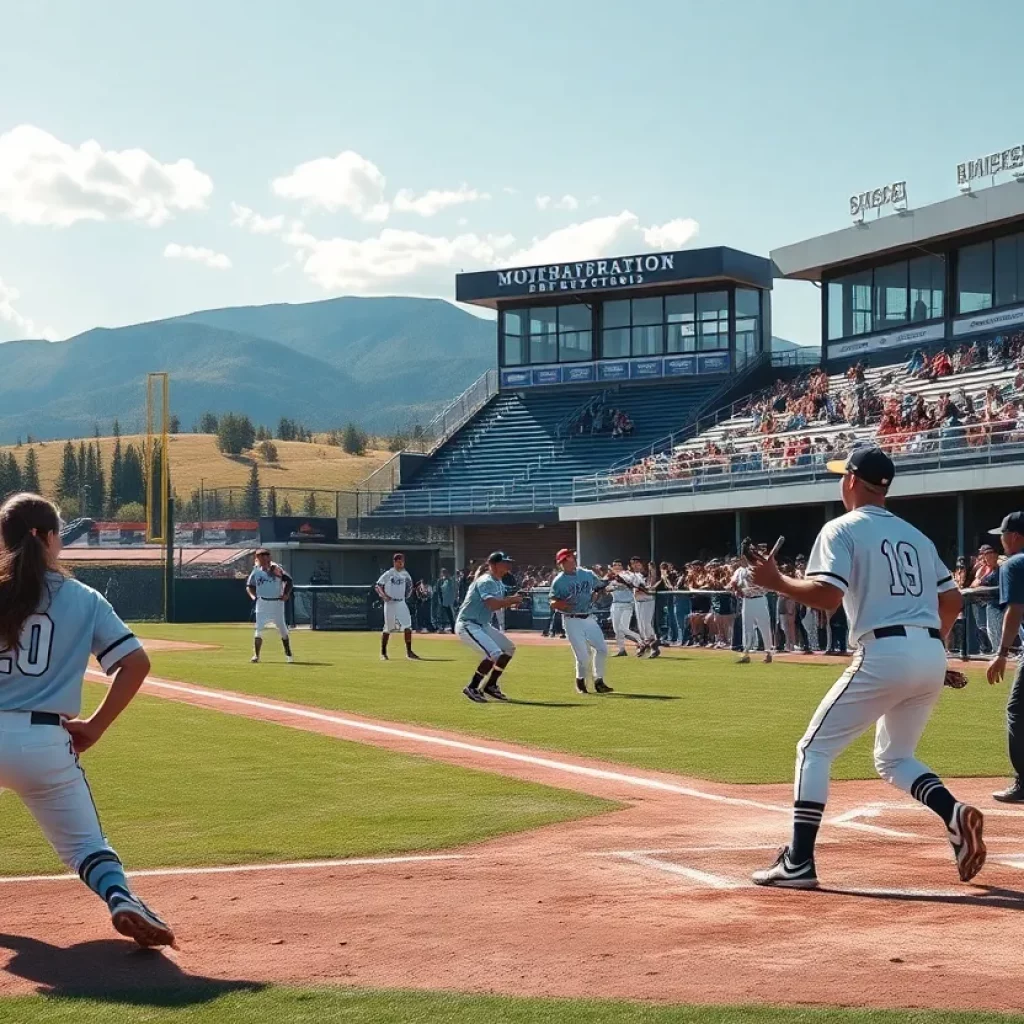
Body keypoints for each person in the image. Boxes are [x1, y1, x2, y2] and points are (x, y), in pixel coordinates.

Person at [748, 445, 984, 889]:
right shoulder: (916, 535)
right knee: (895, 757)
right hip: (929, 650)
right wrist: (933, 649)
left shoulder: (841, 528)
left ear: (853, 480)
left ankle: (798, 862)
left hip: (884, 650)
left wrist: (777, 581)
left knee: (812, 750)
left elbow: (826, 597)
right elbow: (951, 601)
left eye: (843, 476)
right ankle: (953, 813)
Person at [0, 493, 174, 946]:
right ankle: (120, 898)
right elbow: (136, 663)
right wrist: (95, 726)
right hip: (43, 741)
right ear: (53, 539)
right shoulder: (83, 598)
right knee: (85, 848)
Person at [985, 512, 1024, 802]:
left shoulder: (1014, 564)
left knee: (1017, 711)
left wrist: (1001, 653)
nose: (1000, 540)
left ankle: (1023, 782)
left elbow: (1015, 609)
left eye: (1003, 535)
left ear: (1015, 537)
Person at [457, 553, 526, 703]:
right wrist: (511, 600)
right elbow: (493, 604)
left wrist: (515, 598)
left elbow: (501, 598)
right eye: (504, 562)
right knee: (494, 653)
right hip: (468, 623)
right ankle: (472, 687)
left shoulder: (498, 581)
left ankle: (491, 685)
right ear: (493, 565)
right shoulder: (486, 581)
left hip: (482, 624)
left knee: (508, 648)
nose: (508, 565)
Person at [549, 549, 614, 694]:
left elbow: (599, 587)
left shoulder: (586, 574)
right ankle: (580, 680)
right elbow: (552, 601)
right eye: (567, 559)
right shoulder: (559, 581)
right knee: (583, 656)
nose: (571, 559)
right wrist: (560, 604)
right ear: (562, 563)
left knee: (602, 649)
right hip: (571, 619)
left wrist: (606, 583)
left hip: (588, 617)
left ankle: (599, 681)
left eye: (571, 557)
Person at [246, 548, 294, 664]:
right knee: (259, 630)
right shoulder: (256, 570)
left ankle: (288, 654)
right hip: (262, 603)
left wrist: (286, 594)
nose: (264, 559)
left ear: (269, 557)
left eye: (266, 556)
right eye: (260, 557)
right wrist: (253, 596)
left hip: (277, 603)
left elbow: (289, 580)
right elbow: (249, 585)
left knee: (283, 630)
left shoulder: (275, 568)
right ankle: (256, 655)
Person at [375, 553, 420, 661]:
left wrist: (410, 593)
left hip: (401, 602)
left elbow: (410, 586)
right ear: (394, 562)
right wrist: (384, 596)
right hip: (390, 603)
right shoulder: (389, 573)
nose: (401, 564)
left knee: (408, 625)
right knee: (388, 627)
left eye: (402, 562)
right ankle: (383, 653)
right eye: (399, 562)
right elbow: (378, 585)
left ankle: (409, 652)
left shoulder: (405, 574)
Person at [730, 553, 774, 664]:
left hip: (760, 599)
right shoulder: (739, 571)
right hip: (747, 600)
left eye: (744, 558)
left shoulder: (757, 569)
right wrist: (736, 589)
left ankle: (768, 653)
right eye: (741, 559)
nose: (742, 560)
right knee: (747, 627)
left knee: (764, 625)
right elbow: (733, 582)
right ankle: (746, 653)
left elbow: (764, 583)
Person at [606, 559, 644, 657]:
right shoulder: (611, 577)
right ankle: (621, 650)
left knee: (623, 628)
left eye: (619, 565)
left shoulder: (627, 574)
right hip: (615, 604)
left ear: (622, 567)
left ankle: (641, 641)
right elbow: (607, 588)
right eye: (615, 565)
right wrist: (612, 586)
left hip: (627, 604)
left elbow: (628, 583)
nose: (617, 567)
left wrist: (617, 585)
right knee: (617, 630)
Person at [627, 556, 659, 658]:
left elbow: (652, 583)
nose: (635, 565)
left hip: (647, 600)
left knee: (646, 623)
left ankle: (654, 645)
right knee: (641, 626)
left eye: (637, 563)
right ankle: (645, 645)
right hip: (638, 601)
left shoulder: (647, 573)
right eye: (633, 563)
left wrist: (653, 570)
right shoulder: (633, 575)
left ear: (641, 564)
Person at [437, 569, 458, 633]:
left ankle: (453, 629)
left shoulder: (450, 580)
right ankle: (442, 628)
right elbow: (441, 590)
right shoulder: (444, 581)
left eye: (444, 573)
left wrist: (454, 600)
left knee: (451, 616)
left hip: (449, 602)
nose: (443, 574)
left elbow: (453, 590)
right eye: (442, 573)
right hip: (444, 602)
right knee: (443, 615)